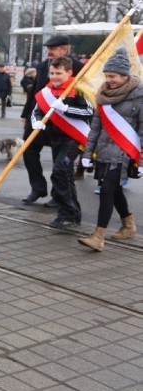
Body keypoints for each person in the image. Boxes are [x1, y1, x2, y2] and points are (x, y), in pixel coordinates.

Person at [78, 48, 143, 251]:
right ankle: (128, 224)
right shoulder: (103, 95)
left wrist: (140, 161)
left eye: (113, 76)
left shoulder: (139, 97)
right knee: (114, 191)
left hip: (125, 152)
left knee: (106, 190)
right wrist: (87, 154)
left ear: (124, 76)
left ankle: (98, 236)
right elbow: (95, 127)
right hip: (104, 151)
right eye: (107, 76)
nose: (109, 80)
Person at [30, 56, 93, 230]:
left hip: (72, 139)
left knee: (59, 171)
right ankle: (73, 215)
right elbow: (37, 110)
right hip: (55, 139)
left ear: (69, 73)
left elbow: (88, 110)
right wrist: (36, 121)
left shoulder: (77, 89)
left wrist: (66, 109)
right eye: (52, 73)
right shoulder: (47, 90)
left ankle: (65, 213)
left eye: (59, 73)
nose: (54, 77)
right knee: (65, 175)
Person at [21, 35, 84, 204]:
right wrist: (26, 114)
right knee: (28, 149)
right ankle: (38, 188)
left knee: (60, 159)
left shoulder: (80, 67)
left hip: (63, 119)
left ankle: (58, 195)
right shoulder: (42, 67)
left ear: (64, 50)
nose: (49, 51)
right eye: (48, 48)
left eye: (53, 48)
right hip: (40, 117)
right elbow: (34, 92)